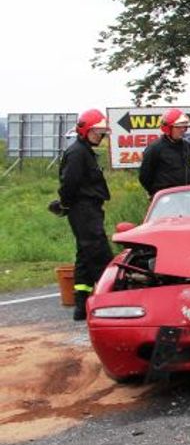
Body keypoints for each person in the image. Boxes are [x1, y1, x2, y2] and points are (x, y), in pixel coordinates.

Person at [58, 109, 114, 321]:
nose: (99, 136)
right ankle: (114, 298)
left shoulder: (85, 151)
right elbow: (69, 183)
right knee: (98, 252)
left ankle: (81, 305)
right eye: (96, 132)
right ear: (85, 131)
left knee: (84, 255)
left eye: (101, 132)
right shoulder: (77, 153)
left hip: (88, 207)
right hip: (83, 209)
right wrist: (65, 203)